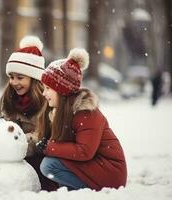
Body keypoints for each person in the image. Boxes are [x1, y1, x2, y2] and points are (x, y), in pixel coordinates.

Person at [35, 48, 127, 191]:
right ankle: (70, 191)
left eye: (48, 88)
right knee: (49, 163)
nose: (43, 93)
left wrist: (49, 147)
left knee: (49, 165)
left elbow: (84, 151)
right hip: (96, 167)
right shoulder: (61, 112)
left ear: (61, 90)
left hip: (111, 173)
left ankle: (81, 192)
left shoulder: (86, 113)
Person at [0, 35, 58, 191]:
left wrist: (19, 142)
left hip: (39, 157)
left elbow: (44, 136)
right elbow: (7, 126)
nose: (14, 82)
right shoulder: (9, 100)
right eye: (11, 77)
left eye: (20, 77)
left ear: (34, 79)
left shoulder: (47, 102)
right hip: (16, 157)